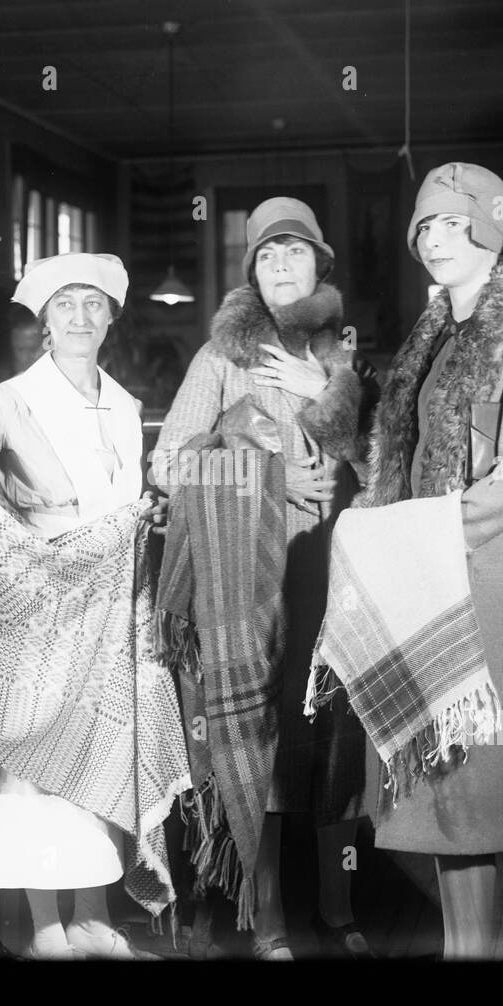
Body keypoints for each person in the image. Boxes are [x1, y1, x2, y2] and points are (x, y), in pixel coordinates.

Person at [153, 197, 378, 959]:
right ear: (252, 273)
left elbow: (386, 467)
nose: (283, 264)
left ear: (321, 264)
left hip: (337, 577)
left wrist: (326, 394)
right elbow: (171, 461)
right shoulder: (222, 358)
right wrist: (271, 478)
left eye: (296, 251)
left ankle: (341, 911)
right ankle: (270, 918)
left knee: (339, 736)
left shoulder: (343, 356)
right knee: (264, 738)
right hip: (253, 583)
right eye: (268, 254)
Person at [363, 162, 503, 957]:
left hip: (485, 577)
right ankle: (463, 948)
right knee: (444, 785)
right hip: (427, 578)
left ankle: (470, 950)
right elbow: (398, 453)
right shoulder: (432, 332)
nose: (435, 240)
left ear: (489, 230)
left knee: (474, 780)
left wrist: (431, 530)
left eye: (454, 224)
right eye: (425, 227)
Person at [0, 252, 167, 958]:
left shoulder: (129, 407)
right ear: (44, 323)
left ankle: (92, 914)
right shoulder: (6, 400)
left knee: (99, 757)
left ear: (111, 318)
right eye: (65, 305)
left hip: (110, 613)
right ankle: (46, 923)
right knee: (38, 767)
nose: (80, 317)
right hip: (37, 609)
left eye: (93, 304)